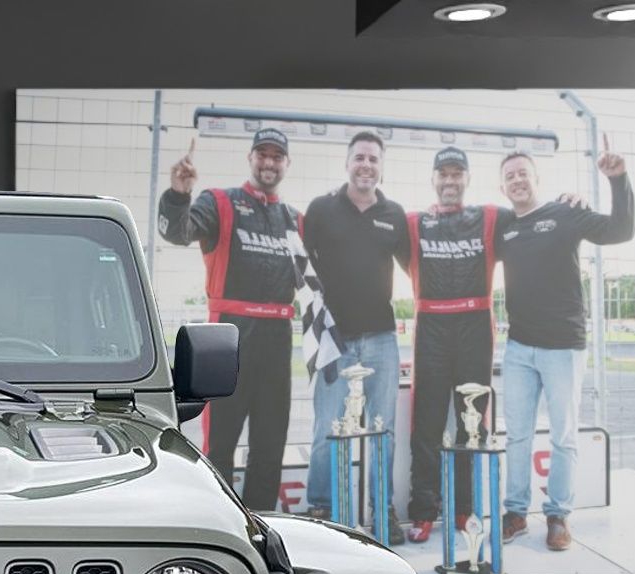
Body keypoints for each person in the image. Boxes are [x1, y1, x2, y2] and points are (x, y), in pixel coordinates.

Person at [496, 138, 634, 550]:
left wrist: (618, 179)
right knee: (517, 436)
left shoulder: (566, 211)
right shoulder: (503, 226)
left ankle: (558, 516)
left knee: (564, 437)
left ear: (536, 178)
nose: (517, 180)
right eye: (509, 176)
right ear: (503, 187)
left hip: (563, 346)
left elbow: (620, 231)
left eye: (523, 173)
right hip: (519, 348)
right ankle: (516, 512)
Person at [157, 128, 299, 511]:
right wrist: (177, 196)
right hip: (229, 339)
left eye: (277, 156)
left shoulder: (293, 219)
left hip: (279, 338)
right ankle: (218, 521)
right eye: (262, 154)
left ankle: (264, 522)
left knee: (271, 444)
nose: (269, 162)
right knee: (221, 444)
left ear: (286, 163)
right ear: (251, 158)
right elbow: (177, 232)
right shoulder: (220, 201)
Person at [301, 131, 410, 543]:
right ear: (348, 162)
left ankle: (382, 508)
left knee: (382, 426)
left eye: (373, 159)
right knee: (328, 425)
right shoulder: (321, 209)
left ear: (381, 167)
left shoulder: (395, 214)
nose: (366, 165)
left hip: (382, 336)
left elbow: (418, 268)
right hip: (334, 337)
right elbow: (299, 268)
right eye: (360, 157)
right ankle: (320, 507)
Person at [402, 147, 503, 543]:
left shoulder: (490, 217)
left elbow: (531, 220)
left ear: (466, 178)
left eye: (456, 173)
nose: (449, 180)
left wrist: (569, 200)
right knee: (426, 424)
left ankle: (465, 508)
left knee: (471, 423)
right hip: (431, 326)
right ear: (433, 179)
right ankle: (424, 511)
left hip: (476, 327)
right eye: (442, 173)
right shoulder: (413, 222)